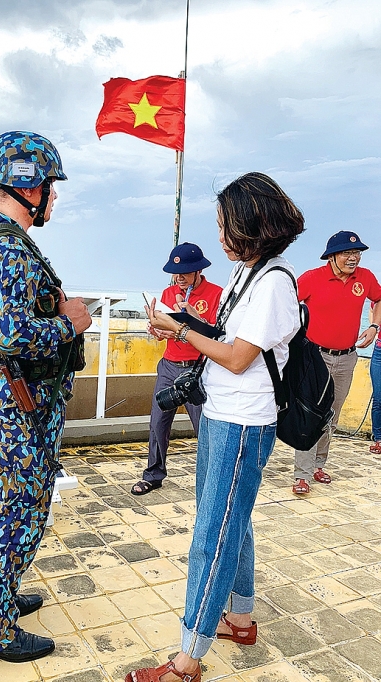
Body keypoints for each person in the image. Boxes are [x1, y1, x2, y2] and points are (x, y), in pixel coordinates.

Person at [125, 172, 303, 682]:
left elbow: (237, 357)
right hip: (225, 415)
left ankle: (188, 659)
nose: (220, 235)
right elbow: (228, 336)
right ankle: (239, 617)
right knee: (232, 518)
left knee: (214, 532)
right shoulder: (249, 275)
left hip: (243, 423)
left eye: (226, 224)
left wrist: (179, 328)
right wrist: (178, 321)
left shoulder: (272, 282)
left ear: (251, 225)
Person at [0, 131, 91, 663]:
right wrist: (69, 321)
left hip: (25, 401)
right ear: (26, 183)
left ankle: (0, 599)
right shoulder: (6, 248)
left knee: (24, 504)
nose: (53, 197)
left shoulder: (9, 244)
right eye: (49, 186)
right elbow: (12, 335)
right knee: (11, 509)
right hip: (14, 400)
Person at [292, 231, 381, 495]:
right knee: (310, 414)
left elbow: (379, 298)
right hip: (315, 357)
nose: (353, 258)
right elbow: (285, 304)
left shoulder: (364, 278)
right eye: (347, 253)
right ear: (331, 256)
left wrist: (374, 325)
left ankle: (319, 465)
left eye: (357, 253)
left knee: (331, 415)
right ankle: (302, 475)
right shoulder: (311, 278)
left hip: (347, 357)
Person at [131, 243, 222, 495]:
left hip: (197, 370)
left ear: (198, 271)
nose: (179, 277)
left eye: (185, 272)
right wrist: (159, 331)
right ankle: (153, 474)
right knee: (158, 422)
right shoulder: (168, 292)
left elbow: (216, 334)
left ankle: (212, 479)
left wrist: (190, 323)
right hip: (169, 365)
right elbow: (168, 329)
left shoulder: (216, 294)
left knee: (204, 426)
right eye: (176, 272)